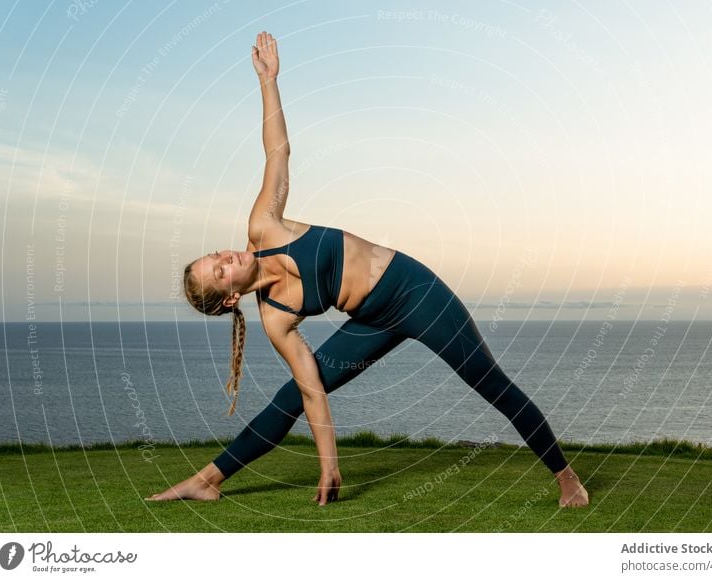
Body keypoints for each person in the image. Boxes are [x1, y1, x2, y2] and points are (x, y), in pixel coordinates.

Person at [146, 31, 589, 509]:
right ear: (230, 297)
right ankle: (208, 479)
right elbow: (314, 394)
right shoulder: (276, 318)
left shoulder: (266, 223)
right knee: (291, 395)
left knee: (488, 380)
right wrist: (329, 465)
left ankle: (567, 478)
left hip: (415, 293)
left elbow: (278, 153)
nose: (225, 258)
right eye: (218, 272)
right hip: (373, 322)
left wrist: (269, 81)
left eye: (215, 255)